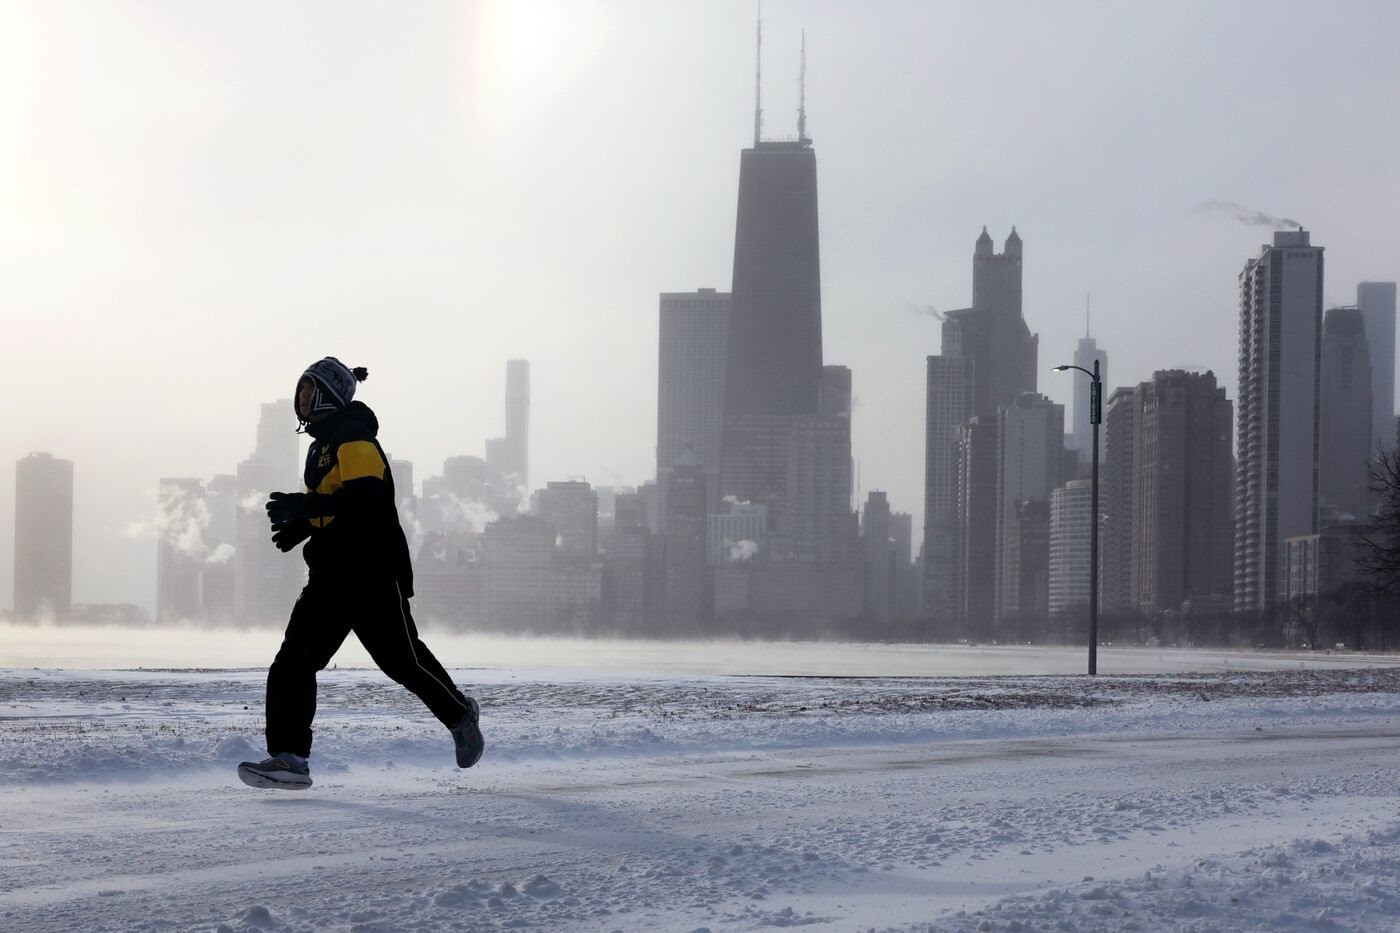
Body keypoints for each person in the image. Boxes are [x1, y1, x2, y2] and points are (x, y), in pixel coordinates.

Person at [237, 357, 484, 789]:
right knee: (293, 662)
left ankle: (461, 716)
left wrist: (306, 507)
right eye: (299, 391)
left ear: (329, 396)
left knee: (404, 664)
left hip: (370, 573)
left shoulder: (355, 439)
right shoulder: (322, 445)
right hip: (330, 575)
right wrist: (304, 525)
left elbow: (367, 506)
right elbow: (337, 507)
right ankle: (290, 759)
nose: (301, 400)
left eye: (308, 391)